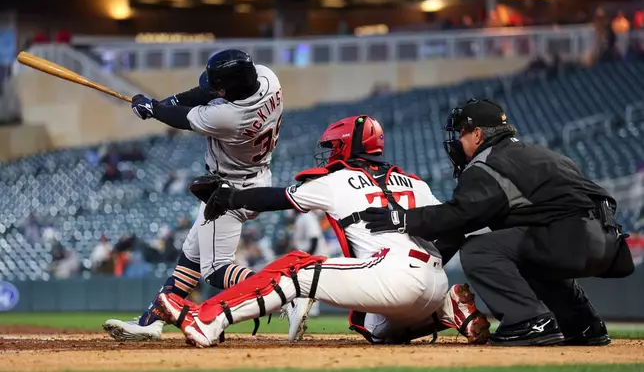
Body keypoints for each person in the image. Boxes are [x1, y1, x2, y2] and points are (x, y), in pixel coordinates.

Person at [153, 115, 490, 348]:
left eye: (333, 147)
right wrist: (430, 267)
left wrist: (230, 196)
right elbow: (452, 228)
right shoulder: (416, 182)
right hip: (433, 280)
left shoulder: (335, 180)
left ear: (344, 146)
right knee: (373, 328)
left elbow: (277, 198)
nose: (329, 153)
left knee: (295, 267)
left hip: (392, 277)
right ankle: (447, 308)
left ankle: (208, 320)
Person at [361, 99, 635, 346]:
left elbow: (457, 217)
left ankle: (528, 321)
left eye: (461, 134)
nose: (458, 142)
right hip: (605, 240)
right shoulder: (538, 154)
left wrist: (400, 218)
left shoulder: (488, 164)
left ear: (477, 133)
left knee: (479, 250)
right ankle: (584, 324)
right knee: (526, 253)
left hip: (572, 237)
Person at [103, 49, 311, 342]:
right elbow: (202, 94)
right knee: (190, 259)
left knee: (215, 270)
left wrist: (152, 109)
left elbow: (185, 116)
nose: (216, 91)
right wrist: (163, 103)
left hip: (227, 193)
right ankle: (151, 321)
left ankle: (285, 293)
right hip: (253, 179)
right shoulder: (268, 79)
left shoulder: (229, 116)